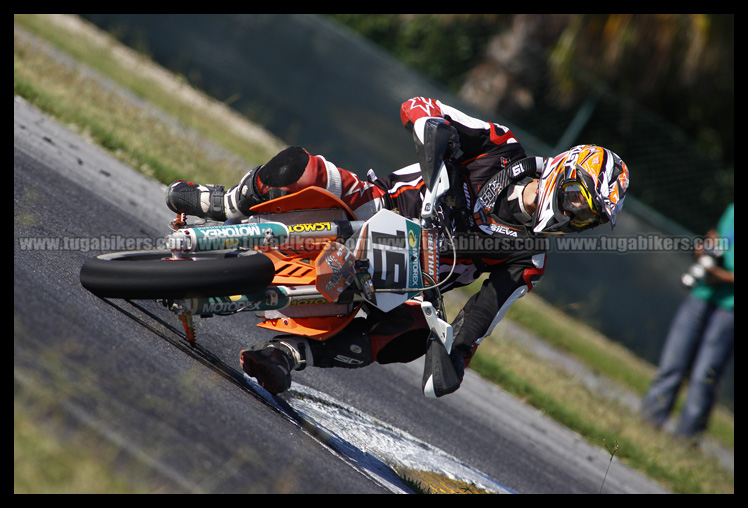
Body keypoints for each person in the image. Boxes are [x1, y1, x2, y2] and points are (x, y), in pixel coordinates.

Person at [165, 97, 630, 396]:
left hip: (410, 277)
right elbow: (421, 109)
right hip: (375, 205)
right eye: (575, 200)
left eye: (586, 217)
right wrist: (442, 184)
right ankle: (228, 203)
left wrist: (452, 359)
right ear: (562, 171)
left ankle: (286, 356)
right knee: (300, 166)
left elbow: (481, 317)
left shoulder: (529, 258)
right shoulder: (500, 147)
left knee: (408, 334)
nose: (572, 215)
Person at [641, 204, 734, 439]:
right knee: (673, 362)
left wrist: (721, 278)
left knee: (704, 377)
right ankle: (647, 426)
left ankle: (685, 441)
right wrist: (706, 248)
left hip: (729, 308)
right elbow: (717, 236)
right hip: (702, 295)